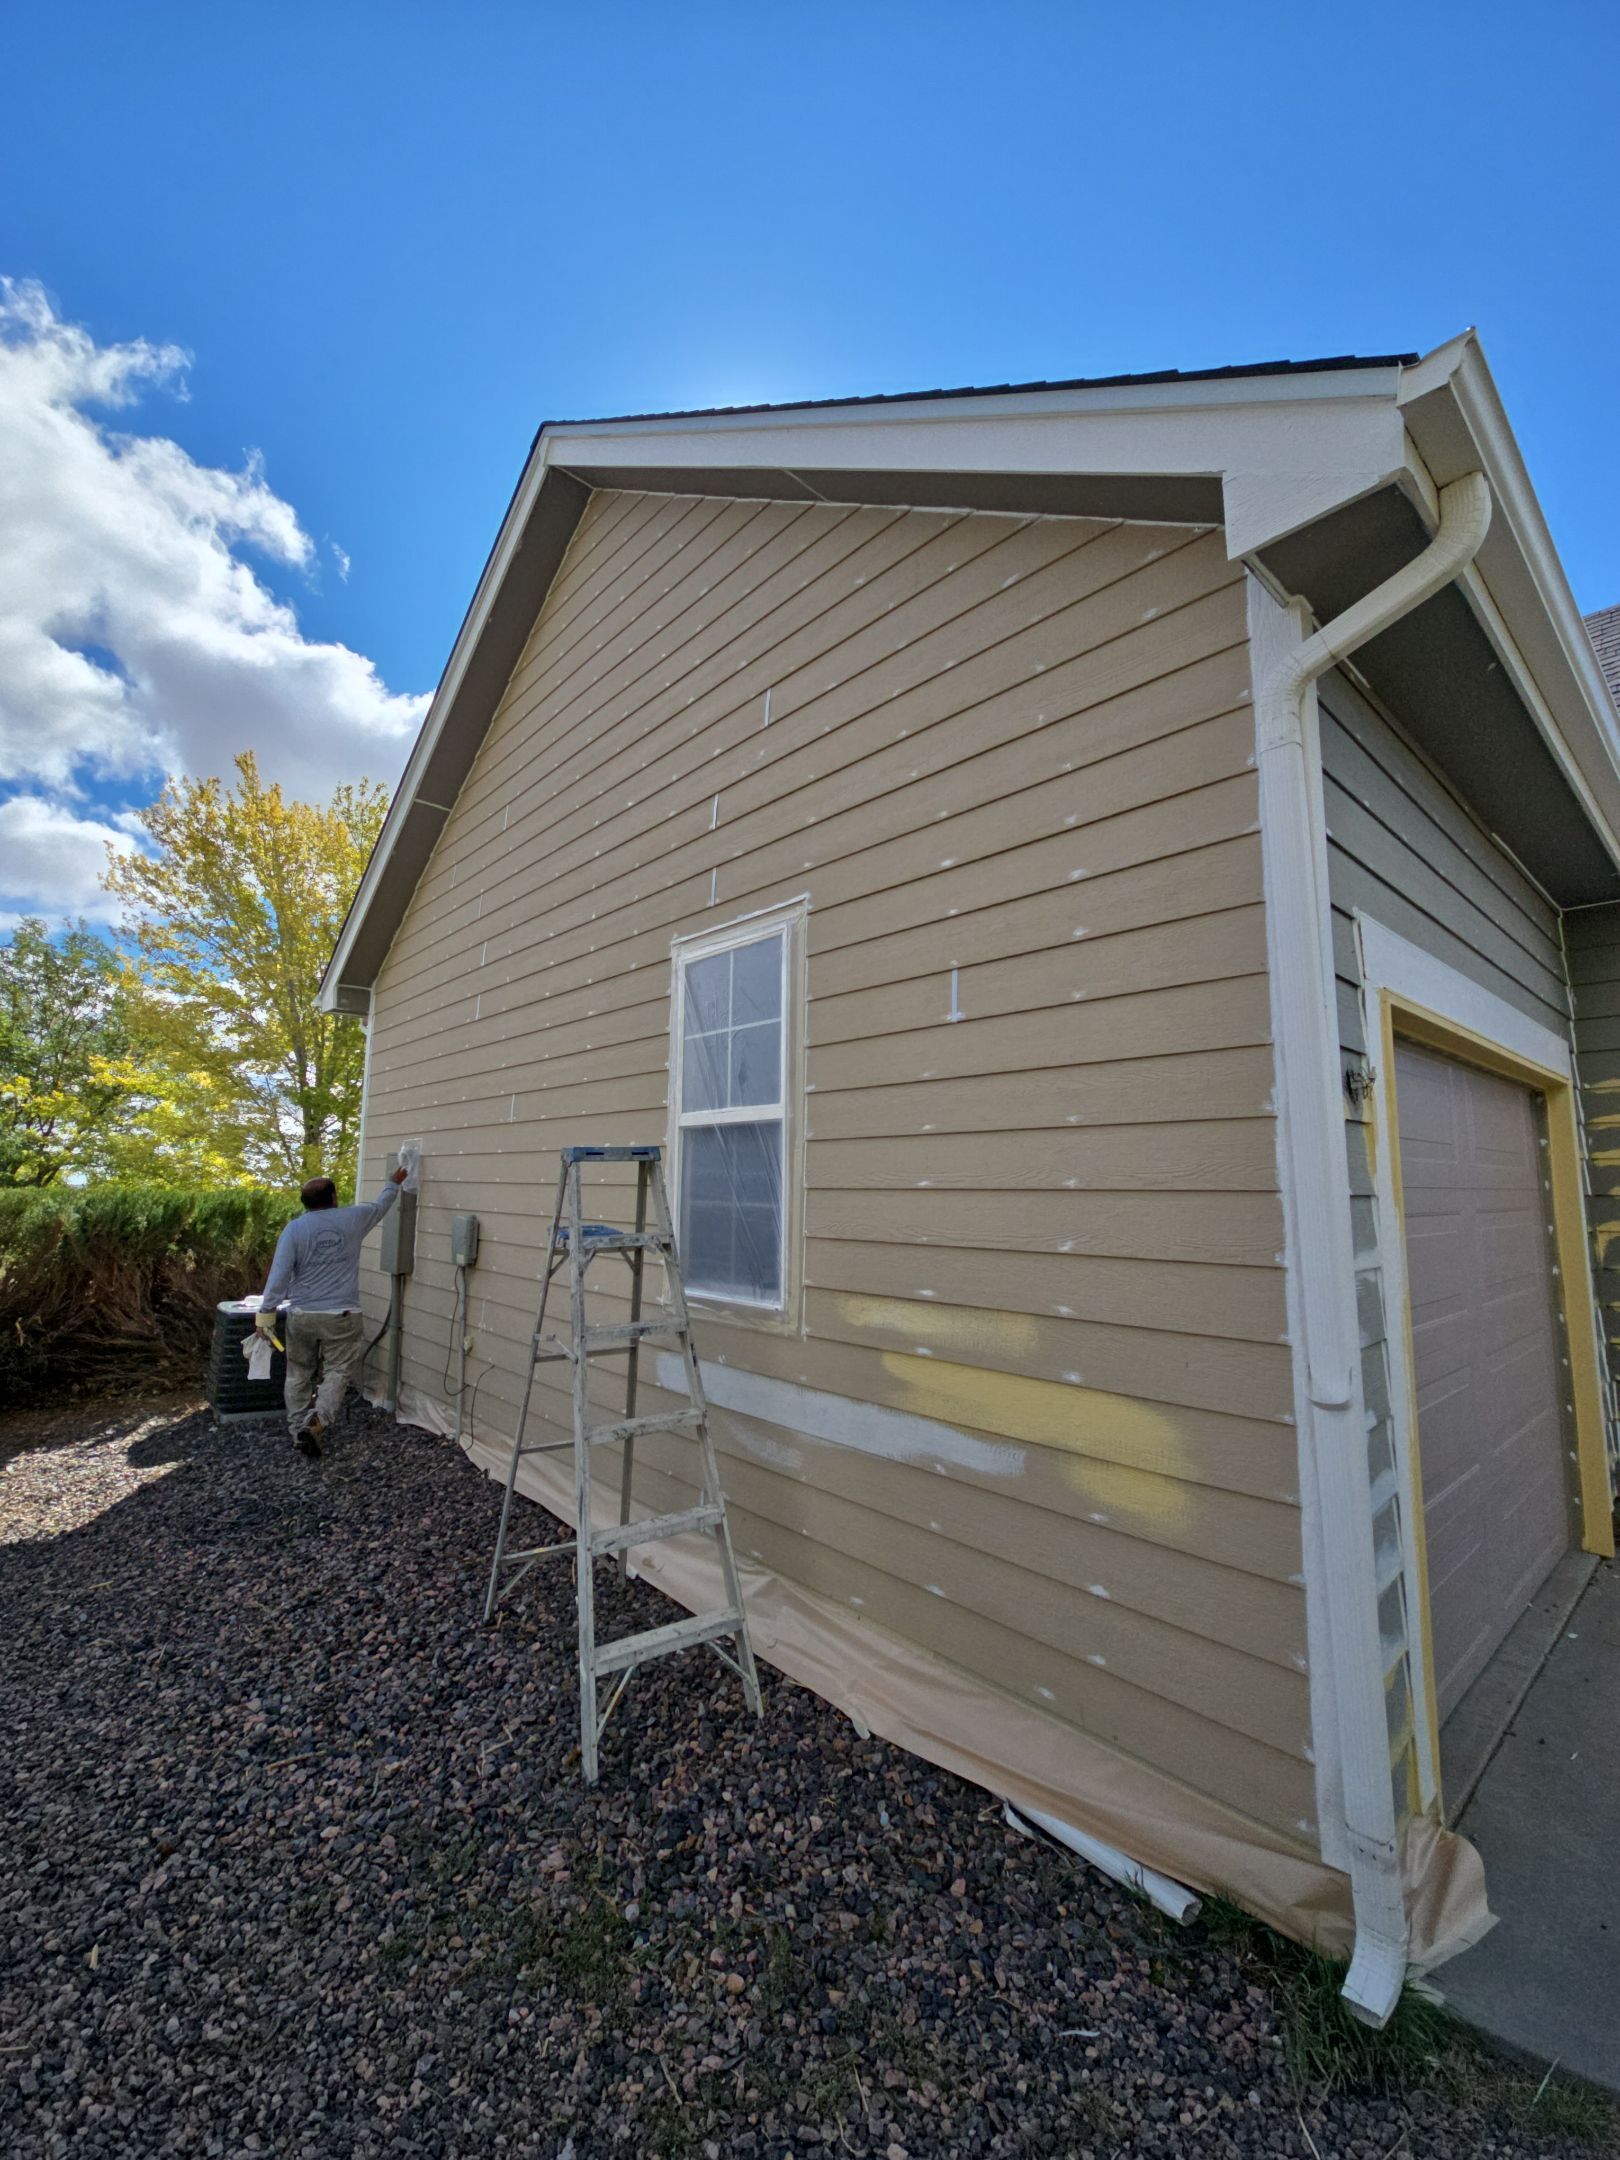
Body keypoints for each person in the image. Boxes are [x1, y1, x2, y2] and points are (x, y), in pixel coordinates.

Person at [257, 1165, 408, 1457]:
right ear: (334, 1197)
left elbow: (279, 1275)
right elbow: (381, 1206)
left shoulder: (294, 1229)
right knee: (337, 1371)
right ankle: (317, 1421)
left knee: (298, 1373)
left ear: (305, 1203)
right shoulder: (353, 1218)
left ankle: (297, 1429)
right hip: (342, 1316)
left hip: (302, 1315)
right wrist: (393, 1182)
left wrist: (265, 1315)